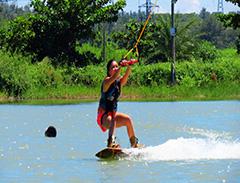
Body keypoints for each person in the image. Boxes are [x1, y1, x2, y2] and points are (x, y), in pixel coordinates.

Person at [97, 59, 142, 148]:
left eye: (116, 66)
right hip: (103, 117)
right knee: (112, 119)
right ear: (109, 71)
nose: (115, 68)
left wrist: (129, 65)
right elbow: (114, 77)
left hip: (112, 115)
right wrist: (121, 66)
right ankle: (111, 143)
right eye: (113, 67)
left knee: (128, 120)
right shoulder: (106, 81)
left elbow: (126, 76)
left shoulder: (119, 83)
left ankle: (134, 144)